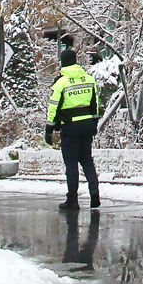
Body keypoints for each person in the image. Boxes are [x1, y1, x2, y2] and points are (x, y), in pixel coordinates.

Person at [45, 45, 101, 212]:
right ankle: (94, 190)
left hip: (70, 127)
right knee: (87, 160)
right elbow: (95, 104)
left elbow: (53, 106)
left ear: (62, 63)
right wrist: (94, 124)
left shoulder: (60, 82)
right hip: (87, 126)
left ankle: (72, 200)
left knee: (71, 163)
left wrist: (49, 128)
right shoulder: (89, 79)